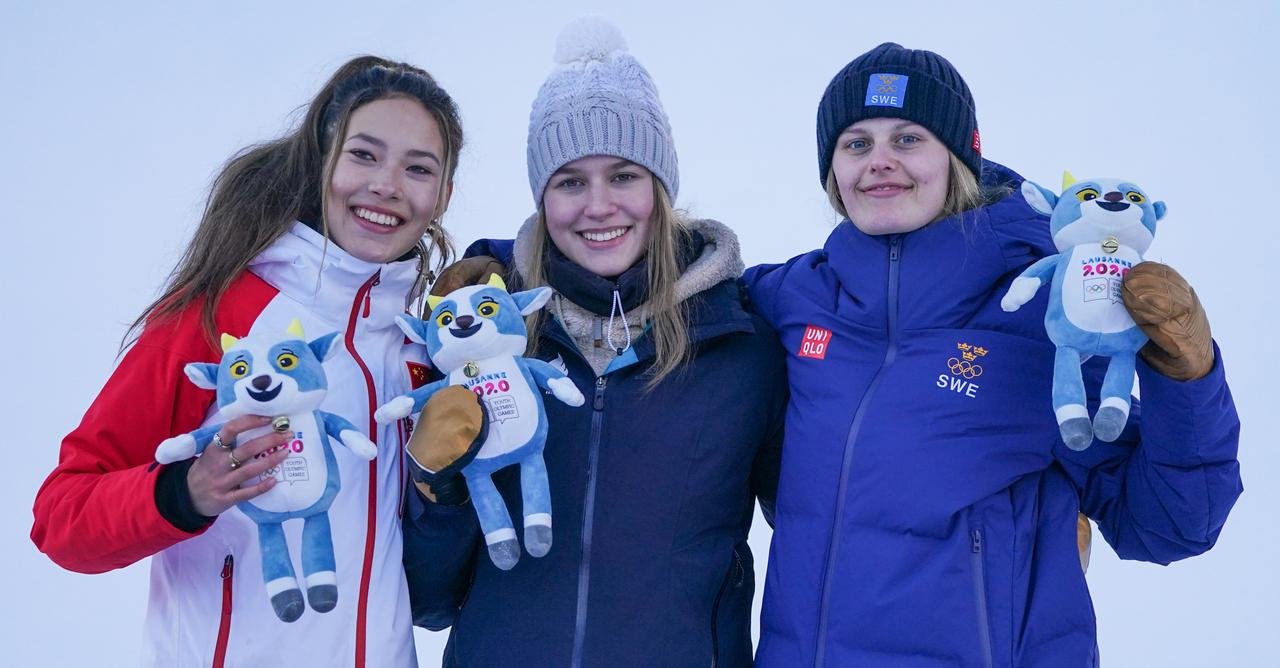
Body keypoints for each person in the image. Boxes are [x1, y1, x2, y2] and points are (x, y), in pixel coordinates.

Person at [744, 43, 1242, 666]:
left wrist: (1185, 378)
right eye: (856, 143)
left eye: (908, 139)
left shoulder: (1042, 314)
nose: (879, 161)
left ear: (959, 157)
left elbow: (1169, 523)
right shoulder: (791, 300)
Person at [31, 56, 465, 666]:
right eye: (364, 155)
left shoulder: (417, 347)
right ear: (321, 163)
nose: (387, 186)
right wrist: (185, 493)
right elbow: (62, 518)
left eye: (417, 168)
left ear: (443, 195)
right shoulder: (219, 315)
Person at [399, 18, 787, 667]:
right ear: (543, 197)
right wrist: (438, 489)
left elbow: (818, 539)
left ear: (660, 185)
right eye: (570, 181)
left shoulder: (741, 348)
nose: (599, 205)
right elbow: (427, 603)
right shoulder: (482, 342)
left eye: (624, 175)